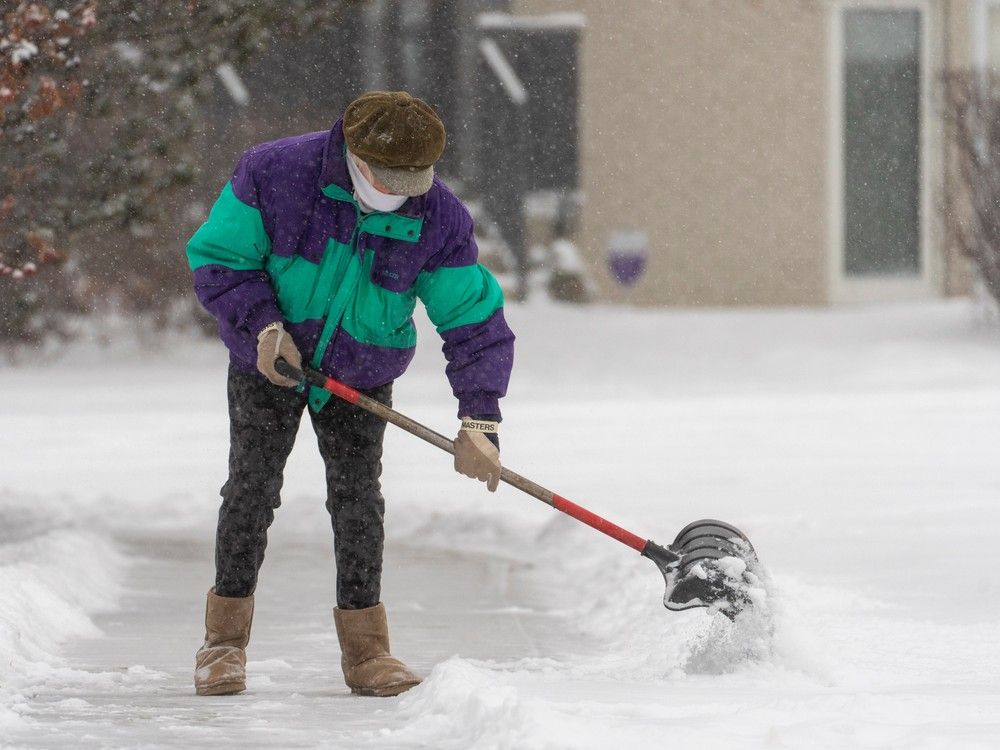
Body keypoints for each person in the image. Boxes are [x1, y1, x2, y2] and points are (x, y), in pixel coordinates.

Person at [185, 91, 515, 697]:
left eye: (415, 179)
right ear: (354, 155)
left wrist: (480, 420)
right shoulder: (276, 173)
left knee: (359, 500)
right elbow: (220, 259)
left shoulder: (438, 218)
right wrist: (262, 325)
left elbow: (473, 323)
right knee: (251, 491)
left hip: (361, 371)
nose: (404, 191)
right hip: (271, 360)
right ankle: (223, 644)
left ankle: (367, 652)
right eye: (389, 177)